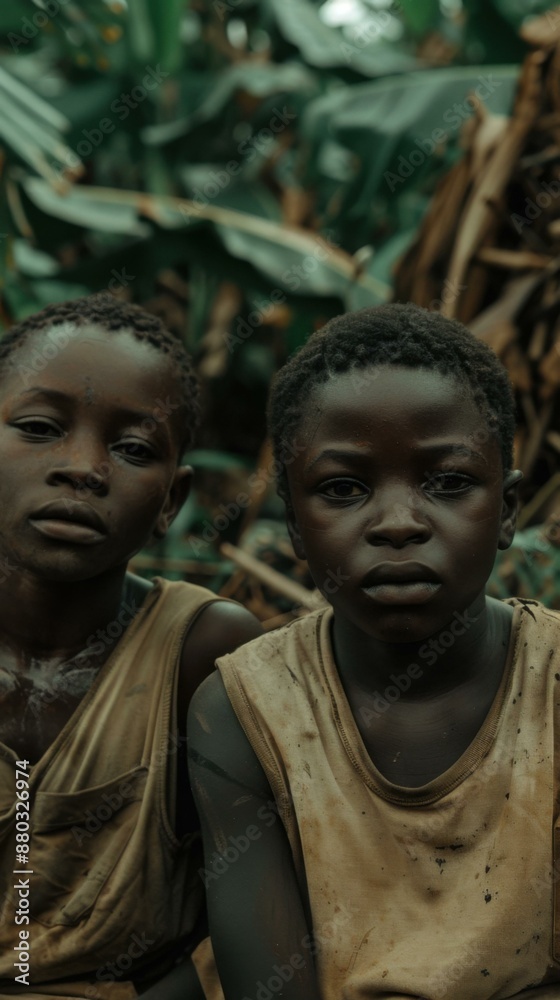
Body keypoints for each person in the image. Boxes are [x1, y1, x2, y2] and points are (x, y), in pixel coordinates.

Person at [189, 302, 560, 1000]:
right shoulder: (247, 712)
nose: (397, 524)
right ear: (295, 528)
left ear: (508, 510)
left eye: (447, 481)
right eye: (343, 489)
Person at [0, 294, 261, 999]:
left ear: (172, 500)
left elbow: (246, 936)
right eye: (38, 428)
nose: (84, 467)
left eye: (133, 449)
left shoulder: (201, 652)